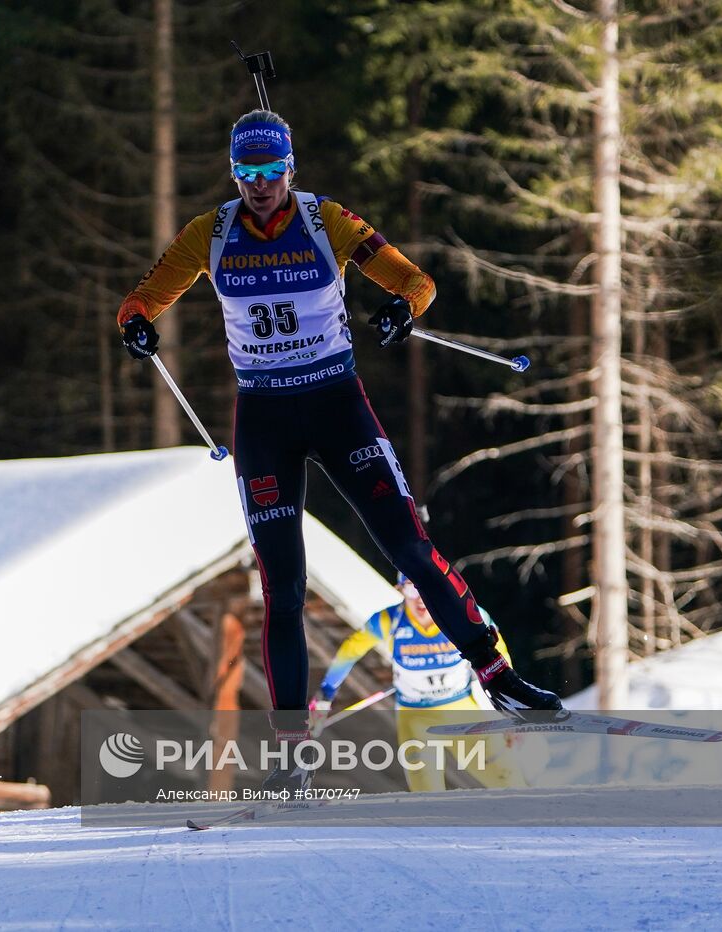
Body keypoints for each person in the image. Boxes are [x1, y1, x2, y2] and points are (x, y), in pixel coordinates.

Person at [116, 109, 562, 793]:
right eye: (247, 174)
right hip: (263, 418)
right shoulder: (211, 233)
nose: (261, 186)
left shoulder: (329, 223)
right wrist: (137, 325)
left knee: (411, 548)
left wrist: (401, 310)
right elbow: (141, 300)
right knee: (284, 588)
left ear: (289, 169)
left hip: (336, 406)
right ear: (233, 174)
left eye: (271, 172)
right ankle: (291, 752)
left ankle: (497, 677)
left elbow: (417, 282)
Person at [316, 575, 525, 792]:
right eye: (411, 588)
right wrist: (325, 693)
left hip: (461, 712)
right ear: (400, 589)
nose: (419, 598)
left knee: (507, 780)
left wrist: (510, 709)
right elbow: (350, 651)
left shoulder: (465, 615)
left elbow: (500, 656)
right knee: (427, 794)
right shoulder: (390, 620)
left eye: (425, 588)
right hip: (415, 718)